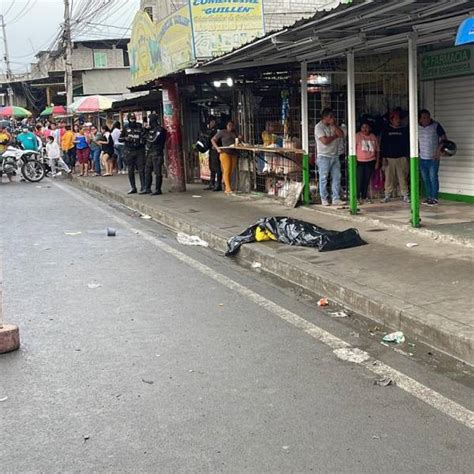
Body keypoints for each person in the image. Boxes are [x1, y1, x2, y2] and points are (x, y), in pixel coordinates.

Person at [314, 108, 345, 206]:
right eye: (330, 117)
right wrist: (335, 137)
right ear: (325, 117)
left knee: (337, 177)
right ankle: (324, 198)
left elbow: (342, 134)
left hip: (334, 155)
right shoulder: (318, 127)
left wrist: (334, 126)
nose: (333, 118)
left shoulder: (333, 126)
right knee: (323, 178)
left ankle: (336, 198)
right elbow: (325, 141)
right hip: (323, 156)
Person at [418, 109, 447, 206]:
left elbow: (444, 138)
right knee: (425, 178)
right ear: (420, 119)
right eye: (424, 118)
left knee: (433, 177)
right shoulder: (417, 127)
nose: (426, 119)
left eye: (428, 117)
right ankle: (429, 197)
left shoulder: (436, 125)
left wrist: (438, 151)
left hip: (433, 158)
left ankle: (434, 198)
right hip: (422, 157)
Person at [380, 110, 410, 203]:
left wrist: (407, 157)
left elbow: (407, 144)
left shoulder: (403, 130)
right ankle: (387, 195)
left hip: (401, 158)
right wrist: (383, 158)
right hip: (389, 158)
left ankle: (405, 195)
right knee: (389, 178)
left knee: (403, 178)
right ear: (391, 120)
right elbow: (383, 145)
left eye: (399, 118)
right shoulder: (386, 130)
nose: (398, 120)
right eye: (396, 118)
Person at [119, 112, 146, 194]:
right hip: (129, 150)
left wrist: (142, 140)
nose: (133, 121)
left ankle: (143, 187)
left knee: (141, 169)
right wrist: (126, 138)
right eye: (131, 119)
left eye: (134, 119)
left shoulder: (140, 126)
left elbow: (144, 136)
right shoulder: (125, 127)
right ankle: (133, 187)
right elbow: (120, 139)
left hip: (139, 150)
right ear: (128, 120)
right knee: (130, 169)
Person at [142, 113, 167, 195]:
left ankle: (158, 189)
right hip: (150, 152)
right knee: (147, 171)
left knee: (157, 171)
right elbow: (143, 136)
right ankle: (147, 188)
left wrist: (147, 136)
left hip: (157, 152)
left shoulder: (160, 130)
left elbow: (153, 140)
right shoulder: (150, 129)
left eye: (150, 120)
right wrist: (145, 130)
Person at [211, 120, 239, 194]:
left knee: (231, 171)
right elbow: (213, 140)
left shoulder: (235, 133)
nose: (230, 127)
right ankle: (228, 188)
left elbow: (239, 142)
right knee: (226, 170)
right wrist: (217, 148)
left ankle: (226, 184)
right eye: (229, 125)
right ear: (226, 126)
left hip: (234, 153)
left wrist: (240, 139)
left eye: (232, 125)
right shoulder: (222, 132)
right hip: (224, 153)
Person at [356, 122, 380, 204]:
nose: (365, 129)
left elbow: (377, 150)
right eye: (363, 127)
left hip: (370, 161)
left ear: (370, 128)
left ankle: (364, 196)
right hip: (359, 161)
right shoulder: (357, 136)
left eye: (367, 127)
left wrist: (377, 162)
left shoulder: (373, 136)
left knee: (366, 180)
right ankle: (356, 197)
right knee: (359, 180)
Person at [204, 116, 222, 191]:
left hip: (216, 150)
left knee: (217, 168)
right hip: (211, 150)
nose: (209, 124)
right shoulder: (211, 130)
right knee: (211, 167)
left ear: (213, 122)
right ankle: (212, 183)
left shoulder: (217, 130)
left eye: (210, 122)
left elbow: (217, 140)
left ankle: (218, 185)